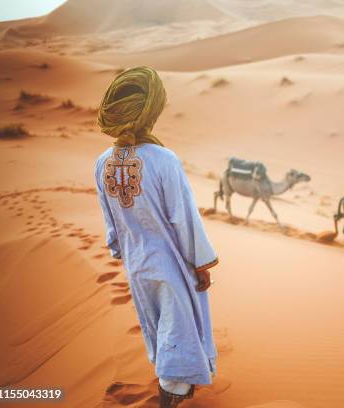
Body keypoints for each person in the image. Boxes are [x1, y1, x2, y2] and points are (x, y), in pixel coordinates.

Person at [95, 67, 218, 408]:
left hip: (136, 265)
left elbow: (111, 222)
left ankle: (171, 392)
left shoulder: (102, 162)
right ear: (151, 114)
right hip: (170, 264)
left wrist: (122, 250)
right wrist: (200, 263)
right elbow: (184, 219)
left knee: (158, 327)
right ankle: (172, 399)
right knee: (177, 330)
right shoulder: (164, 160)